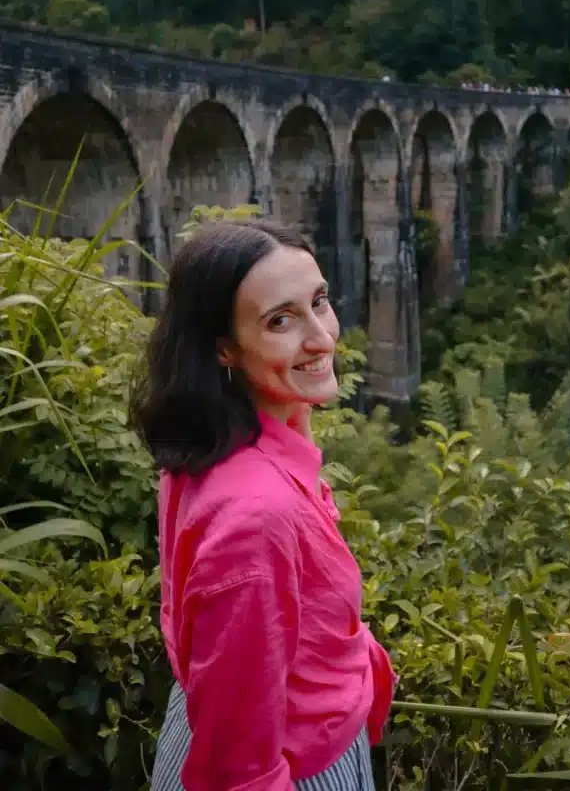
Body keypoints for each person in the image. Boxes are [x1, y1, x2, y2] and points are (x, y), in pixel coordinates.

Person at [130, 218, 397, 791]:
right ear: (224, 349)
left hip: (245, 723)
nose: (323, 337)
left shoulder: (216, 439)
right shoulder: (257, 516)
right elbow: (239, 770)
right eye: (281, 320)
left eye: (319, 302)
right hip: (289, 762)